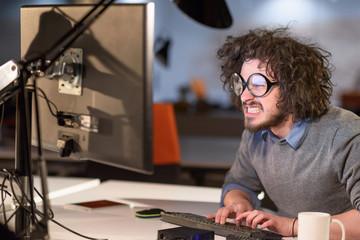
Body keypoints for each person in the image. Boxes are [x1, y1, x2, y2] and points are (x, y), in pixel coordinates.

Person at [207, 26, 360, 240]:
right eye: (241, 84)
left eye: (258, 85)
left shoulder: (345, 132)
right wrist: (239, 203)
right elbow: (239, 183)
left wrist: (292, 226)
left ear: (292, 88)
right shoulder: (256, 133)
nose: (244, 97)